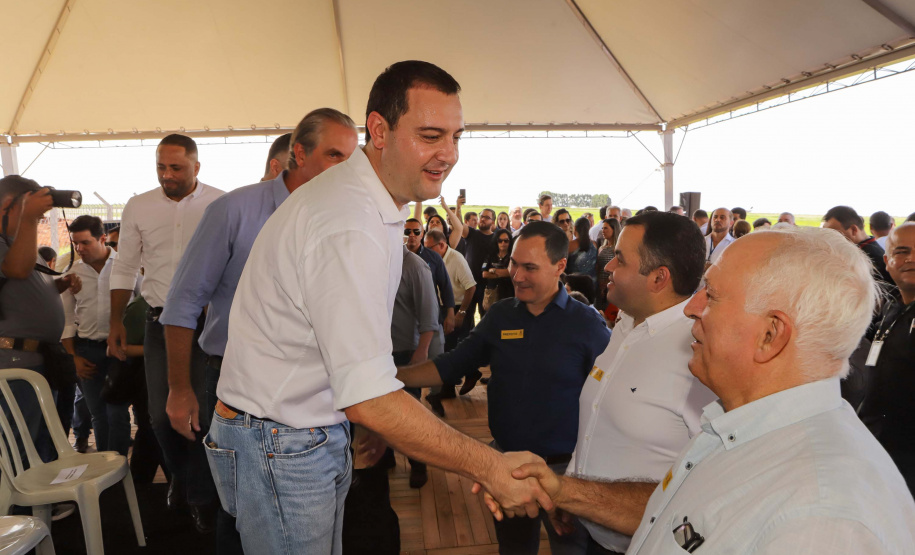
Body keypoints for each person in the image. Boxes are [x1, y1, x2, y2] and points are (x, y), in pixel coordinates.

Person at [207, 60, 550, 554]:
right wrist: (491, 466)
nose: (448, 154)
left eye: (456, 136)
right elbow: (367, 394)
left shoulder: (370, 205)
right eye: (431, 135)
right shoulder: (349, 221)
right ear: (379, 130)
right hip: (281, 445)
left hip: (295, 434)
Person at [615, 226, 915, 554]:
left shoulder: (820, 516)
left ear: (770, 334)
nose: (691, 307)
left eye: (711, 294)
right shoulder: (736, 426)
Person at [160, 109, 358, 545]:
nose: (346, 169)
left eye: (352, 158)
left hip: (315, 396)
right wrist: (179, 389)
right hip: (232, 381)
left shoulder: (340, 218)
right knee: (235, 513)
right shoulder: (235, 209)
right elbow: (181, 304)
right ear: (298, 154)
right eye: (334, 155)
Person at [505, 211, 715, 554]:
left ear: (659, 278)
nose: (607, 266)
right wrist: (570, 489)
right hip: (592, 529)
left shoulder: (699, 351)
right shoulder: (628, 323)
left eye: (620, 258)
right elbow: (597, 422)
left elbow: (710, 476)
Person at [398, 221, 611, 555]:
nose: (516, 275)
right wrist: (393, 377)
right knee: (513, 548)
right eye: (513, 263)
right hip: (505, 464)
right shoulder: (501, 317)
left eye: (529, 267)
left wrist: (582, 483)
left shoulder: (587, 325)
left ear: (560, 266)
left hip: (566, 471)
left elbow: (608, 402)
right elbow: (453, 365)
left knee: (570, 547)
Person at [107, 134, 225, 531]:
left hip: (212, 326)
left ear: (196, 166)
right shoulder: (139, 206)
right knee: (160, 418)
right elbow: (124, 266)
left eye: (176, 167)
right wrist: (115, 322)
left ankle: (202, 493)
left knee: (207, 416)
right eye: (161, 166)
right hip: (159, 323)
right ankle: (186, 478)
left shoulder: (220, 203)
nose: (167, 175)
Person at [0, 176, 81, 464]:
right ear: (9, 205)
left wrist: (56, 287)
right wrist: (30, 218)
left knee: (45, 437)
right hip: (15, 358)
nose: (41, 217)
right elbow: (17, 271)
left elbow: (18, 284)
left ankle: (45, 504)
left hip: (40, 356)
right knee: (22, 441)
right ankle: (23, 505)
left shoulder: (17, 240)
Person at [60, 215, 131, 456]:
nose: (79, 249)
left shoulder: (126, 266)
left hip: (120, 350)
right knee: (98, 414)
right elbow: (67, 321)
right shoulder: (71, 272)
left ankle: (120, 469)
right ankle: (106, 471)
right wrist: (73, 358)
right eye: (75, 244)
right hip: (87, 351)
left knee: (118, 413)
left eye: (85, 243)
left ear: (103, 239)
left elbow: (145, 305)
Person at [858, 222, 915, 495]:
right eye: (902, 251)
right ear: (887, 261)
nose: (911, 259)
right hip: (879, 452)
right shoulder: (892, 307)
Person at [403, 218, 456, 341]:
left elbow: (445, 286)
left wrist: (450, 314)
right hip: (404, 315)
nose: (412, 235)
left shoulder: (433, 257)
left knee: (434, 354)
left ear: (422, 234)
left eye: (416, 232)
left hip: (431, 314)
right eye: (407, 231)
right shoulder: (396, 255)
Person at [823, 205, 893, 284]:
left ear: (853, 230)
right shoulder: (865, 250)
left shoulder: (870, 260)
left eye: (834, 233)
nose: (829, 239)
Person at [594, 218, 620, 311]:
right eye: (602, 228)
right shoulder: (601, 247)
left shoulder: (617, 249)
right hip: (599, 285)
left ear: (614, 229)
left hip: (612, 284)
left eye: (606, 228)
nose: (603, 231)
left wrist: (606, 283)